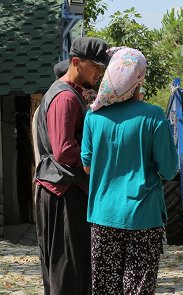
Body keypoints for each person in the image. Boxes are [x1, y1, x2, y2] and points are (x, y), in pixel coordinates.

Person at [80, 47, 178, 294]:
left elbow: (87, 166)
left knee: (105, 287)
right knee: (138, 287)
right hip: (143, 217)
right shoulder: (153, 116)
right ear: (138, 80)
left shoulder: (93, 116)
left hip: (103, 216)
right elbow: (168, 170)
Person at [35, 37, 109, 295]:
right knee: (67, 273)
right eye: (96, 66)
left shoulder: (72, 93)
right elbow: (65, 151)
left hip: (66, 191)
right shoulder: (65, 97)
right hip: (62, 195)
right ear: (76, 62)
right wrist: (100, 162)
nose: (99, 72)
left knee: (75, 272)